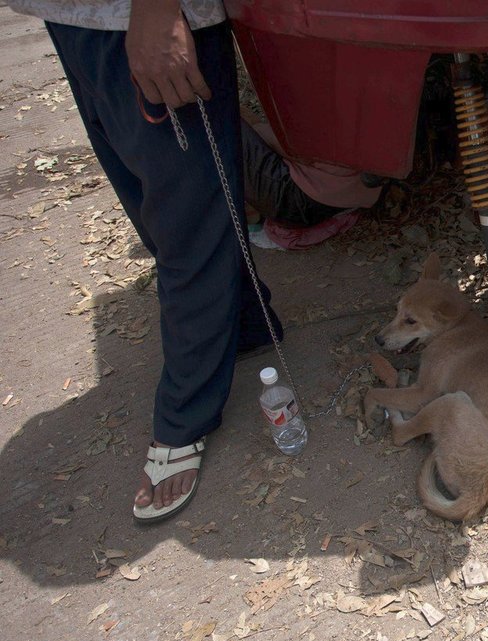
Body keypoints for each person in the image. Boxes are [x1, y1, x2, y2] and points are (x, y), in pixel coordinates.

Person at [8, 0, 283, 523]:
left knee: (186, 218)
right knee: (153, 204)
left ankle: (186, 415)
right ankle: (245, 322)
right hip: (77, 16)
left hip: (142, 18)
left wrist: (156, 11)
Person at [239, 107, 381, 250]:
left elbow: (283, 144)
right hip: (360, 188)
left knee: (221, 118)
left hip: (304, 203)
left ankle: (250, 219)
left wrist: (256, 130)